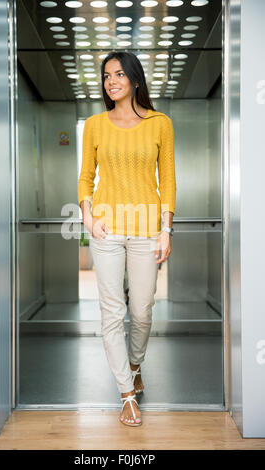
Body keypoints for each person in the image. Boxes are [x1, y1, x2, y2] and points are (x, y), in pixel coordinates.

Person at [78, 51, 176, 427]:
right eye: (106, 76)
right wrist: (88, 217)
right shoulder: (94, 125)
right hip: (106, 227)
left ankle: (135, 365)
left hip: (147, 228)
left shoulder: (160, 124)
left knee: (142, 311)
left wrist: (166, 229)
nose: (111, 81)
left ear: (135, 79)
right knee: (112, 312)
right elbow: (86, 177)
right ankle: (126, 394)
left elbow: (167, 179)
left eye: (119, 74)